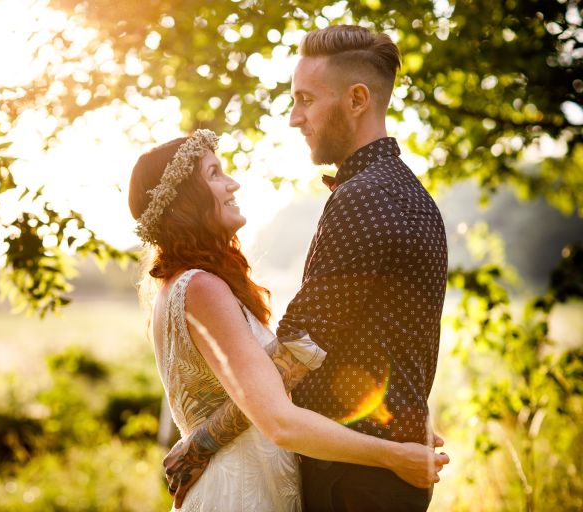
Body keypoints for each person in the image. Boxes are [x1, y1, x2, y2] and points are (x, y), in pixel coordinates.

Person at [161, 25, 450, 512]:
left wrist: (202, 441)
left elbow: (296, 354)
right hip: (388, 467)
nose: (295, 118)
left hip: (354, 477)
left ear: (357, 99)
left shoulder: (362, 200)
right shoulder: (415, 197)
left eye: (306, 100)